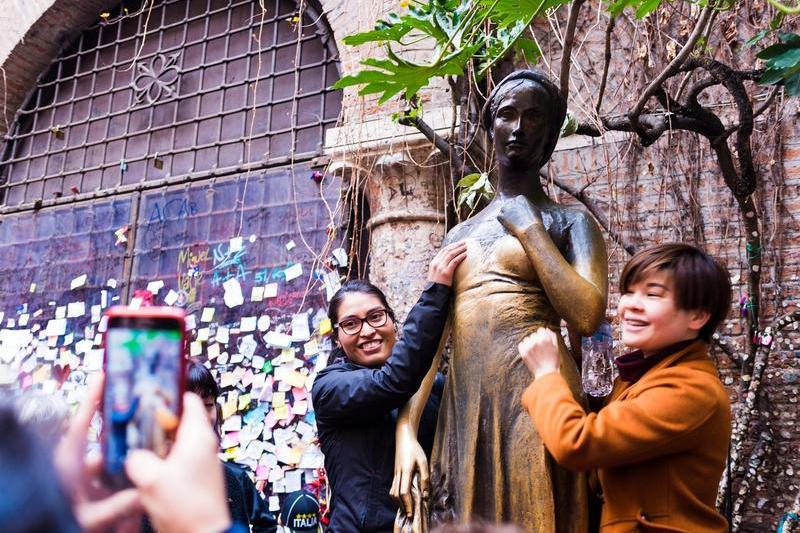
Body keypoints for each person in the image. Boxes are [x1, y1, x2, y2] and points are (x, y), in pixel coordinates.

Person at [393, 69, 607, 531]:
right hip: (468, 403)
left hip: (536, 396)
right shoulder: (460, 233)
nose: (520, 127)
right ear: (491, 128)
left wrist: (531, 232)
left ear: (549, 135)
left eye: (534, 117)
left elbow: (588, 314)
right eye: (507, 115)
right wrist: (406, 429)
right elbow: (430, 339)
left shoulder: (569, 222)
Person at [518, 243, 732, 532]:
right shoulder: (642, 375)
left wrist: (546, 374)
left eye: (653, 294)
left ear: (697, 316)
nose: (630, 304)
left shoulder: (691, 389)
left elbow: (577, 444)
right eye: (629, 292)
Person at [311, 241, 468, 532]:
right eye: (351, 324)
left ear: (392, 320)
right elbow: (392, 382)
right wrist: (435, 293)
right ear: (337, 338)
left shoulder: (434, 387)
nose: (367, 331)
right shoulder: (329, 388)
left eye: (375, 317)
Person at [184, 360, 279, 533]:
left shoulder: (235, 478)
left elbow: (267, 525)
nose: (202, 416)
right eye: (190, 406)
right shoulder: (150, 484)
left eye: (208, 405)